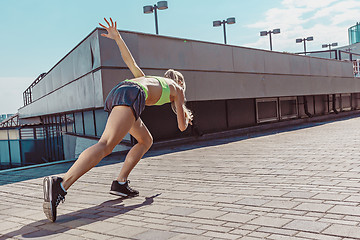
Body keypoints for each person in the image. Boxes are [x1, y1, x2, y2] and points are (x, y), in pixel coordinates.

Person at [42, 17, 193, 222]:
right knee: (105, 145)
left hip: (122, 90)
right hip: (132, 95)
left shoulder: (151, 79)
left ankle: (120, 183)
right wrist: (185, 113)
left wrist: (118, 38)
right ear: (180, 83)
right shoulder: (178, 89)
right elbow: (182, 127)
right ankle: (60, 184)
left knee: (145, 140)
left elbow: (130, 62)